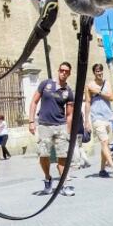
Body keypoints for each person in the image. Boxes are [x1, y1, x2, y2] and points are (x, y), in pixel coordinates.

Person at [28, 62, 76, 195]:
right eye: (62, 70)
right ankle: (48, 178)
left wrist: (68, 131)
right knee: (44, 155)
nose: (64, 73)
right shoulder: (46, 84)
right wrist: (31, 121)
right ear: (58, 70)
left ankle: (64, 184)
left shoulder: (68, 92)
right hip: (44, 125)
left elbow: (70, 114)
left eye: (67, 71)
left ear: (69, 74)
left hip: (60, 126)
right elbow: (34, 102)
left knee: (63, 156)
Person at [84, 63, 113, 178]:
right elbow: (87, 103)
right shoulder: (89, 85)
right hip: (96, 117)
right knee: (104, 142)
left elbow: (112, 98)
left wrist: (99, 91)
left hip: (108, 117)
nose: (99, 73)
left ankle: (102, 170)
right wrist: (87, 121)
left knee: (105, 144)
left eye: (101, 71)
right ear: (94, 72)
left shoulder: (107, 83)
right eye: (97, 71)